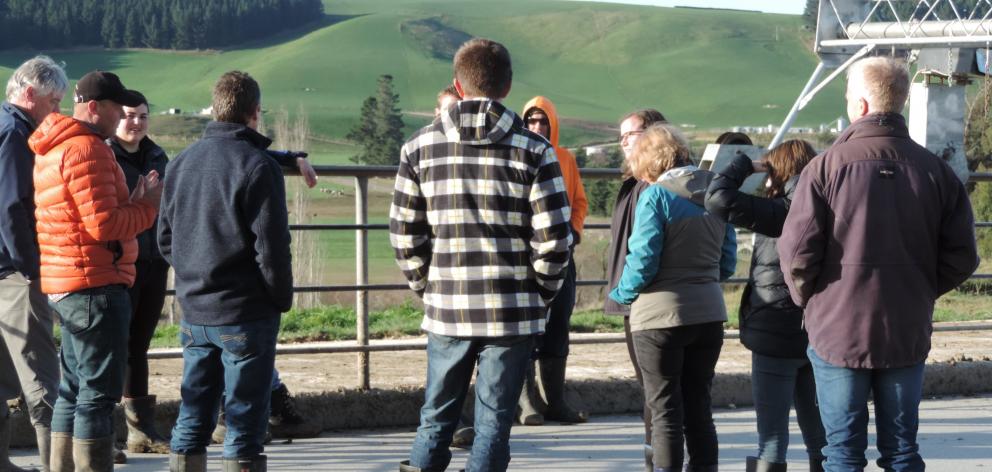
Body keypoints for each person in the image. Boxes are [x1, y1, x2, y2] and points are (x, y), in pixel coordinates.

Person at [778, 56, 980, 471]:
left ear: (863, 105)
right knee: (902, 451)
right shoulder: (937, 172)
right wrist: (919, 287)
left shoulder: (824, 168)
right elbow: (963, 256)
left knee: (842, 452)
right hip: (906, 326)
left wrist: (813, 301)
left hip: (837, 328)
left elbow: (797, 255)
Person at [390, 38, 572, 472]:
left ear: (457, 83)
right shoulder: (536, 150)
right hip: (512, 310)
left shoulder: (417, 148)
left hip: (448, 307)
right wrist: (539, 294)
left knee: (435, 419)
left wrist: (428, 286)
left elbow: (403, 233)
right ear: (507, 87)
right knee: (493, 425)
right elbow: (555, 240)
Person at [161, 71, 292, 472]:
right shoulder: (257, 166)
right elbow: (271, 249)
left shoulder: (180, 162)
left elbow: (164, 238)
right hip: (245, 312)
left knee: (192, 414)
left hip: (194, 309)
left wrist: (193, 276)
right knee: (244, 424)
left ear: (215, 108)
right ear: (255, 112)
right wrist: (280, 298)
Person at [31, 70, 160, 472]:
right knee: (98, 395)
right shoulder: (89, 149)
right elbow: (103, 226)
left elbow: (86, 215)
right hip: (96, 284)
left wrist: (133, 201)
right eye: (115, 105)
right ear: (93, 107)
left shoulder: (54, 147)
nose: (122, 112)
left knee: (72, 388)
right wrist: (147, 206)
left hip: (67, 281)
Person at [609, 123, 736, 472]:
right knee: (699, 406)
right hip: (709, 314)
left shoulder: (656, 196)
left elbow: (643, 262)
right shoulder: (717, 192)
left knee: (665, 411)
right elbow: (728, 262)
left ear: (650, 162)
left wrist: (621, 293)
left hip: (659, 318)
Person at [705, 140, 826, 472]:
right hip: (817, 333)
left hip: (774, 333)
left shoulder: (783, 211)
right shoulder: (828, 205)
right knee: (822, 438)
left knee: (771, 440)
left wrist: (745, 165)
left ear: (779, 171)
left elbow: (718, 197)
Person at [0, 55, 67, 472]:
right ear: (30, 95)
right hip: (14, 274)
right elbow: (10, 208)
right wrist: (34, 268)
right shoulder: (15, 135)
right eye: (54, 101)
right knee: (42, 379)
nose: (57, 111)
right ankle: (55, 464)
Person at [107, 92, 172, 455]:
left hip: (154, 261)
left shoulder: (158, 156)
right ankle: (102, 433)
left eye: (143, 116)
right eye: (130, 116)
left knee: (139, 345)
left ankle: (140, 430)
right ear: (117, 117)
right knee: (111, 345)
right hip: (120, 261)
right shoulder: (105, 155)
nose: (136, 123)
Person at [517, 96, 588, 425]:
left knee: (559, 323)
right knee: (525, 325)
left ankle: (554, 400)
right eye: (530, 121)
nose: (536, 127)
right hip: (527, 256)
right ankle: (526, 402)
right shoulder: (518, 155)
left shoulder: (566, 159)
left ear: (553, 124)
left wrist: (574, 231)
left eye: (542, 121)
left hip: (563, 253)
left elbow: (579, 202)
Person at [604, 108, 667, 471]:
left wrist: (623, 293)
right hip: (634, 301)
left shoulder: (653, 187)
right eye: (622, 137)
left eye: (633, 134)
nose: (625, 142)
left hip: (644, 303)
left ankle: (657, 461)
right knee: (652, 389)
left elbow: (644, 254)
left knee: (655, 392)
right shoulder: (634, 183)